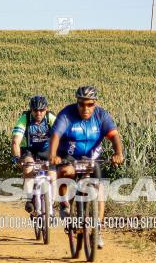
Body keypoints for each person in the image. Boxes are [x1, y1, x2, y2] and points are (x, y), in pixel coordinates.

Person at [49, 85, 125, 248]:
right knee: (65, 171)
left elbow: (114, 136)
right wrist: (53, 155)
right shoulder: (67, 114)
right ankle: (64, 204)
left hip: (92, 157)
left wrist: (118, 153)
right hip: (69, 155)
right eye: (82, 104)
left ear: (95, 104)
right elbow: (55, 135)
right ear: (77, 103)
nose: (86, 108)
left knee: (99, 189)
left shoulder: (101, 116)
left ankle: (97, 230)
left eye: (90, 104)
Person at [11, 95, 57, 214]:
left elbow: (61, 134)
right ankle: (29, 198)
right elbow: (16, 141)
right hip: (29, 150)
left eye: (41, 110)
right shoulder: (24, 118)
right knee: (28, 169)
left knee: (53, 175)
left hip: (47, 150)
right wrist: (17, 157)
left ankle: (52, 202)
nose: (38, 113)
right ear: (31, 110)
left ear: (46, 109)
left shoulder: (50, 117)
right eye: (35, 110)